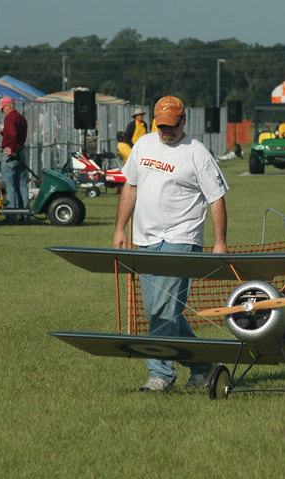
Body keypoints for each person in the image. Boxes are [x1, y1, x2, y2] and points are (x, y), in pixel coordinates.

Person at [113, 95, 228, 393]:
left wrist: (220, 242)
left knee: (164, 309)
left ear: (184, 121)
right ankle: (204, 366)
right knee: (159, 313)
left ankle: (160, 375)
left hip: (182, 239)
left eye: (172, 126)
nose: (166, 131)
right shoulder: (143, 144)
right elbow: (131, 186)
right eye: (161, 125)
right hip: (145, 238)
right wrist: (120, 229)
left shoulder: (197, 153)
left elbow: (216, 198)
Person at [0, 97, 29, 222]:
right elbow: (16, 134)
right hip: (21, 152)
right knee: (22, 185)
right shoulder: (21, 118)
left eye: (3, 109)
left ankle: (11, 215)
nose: (3, 112)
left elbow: (14, 134)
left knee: (9, 185)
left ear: (9, 106)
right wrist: (5, 133)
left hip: (11, 154)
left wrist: (11, 148)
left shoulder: (9, 118)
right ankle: (26, 215)